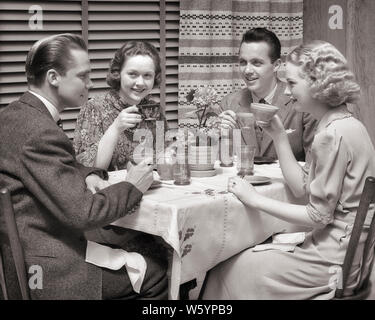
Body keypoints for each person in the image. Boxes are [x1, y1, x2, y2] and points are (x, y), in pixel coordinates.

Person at [202, 40, 375, 299]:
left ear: (318, 84)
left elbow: (318, 216)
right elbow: (301, 187)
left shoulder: (330, 136)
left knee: (225, 269)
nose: (289, 92)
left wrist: (254, 199)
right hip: (353, 253)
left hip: (333, 259)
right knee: (256, 252)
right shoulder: (348, 124)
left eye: (293, 84)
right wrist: (280, 137)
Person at [0, 33, 168, 300]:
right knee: (158, 271)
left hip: (24, 247)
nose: (90, 84)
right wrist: (132, 185)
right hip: (48, 266)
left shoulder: (15, 115)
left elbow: (57, 165)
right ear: (54, 77)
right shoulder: (40, 131)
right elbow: (84, 213)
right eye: (83, 76)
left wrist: (88, 174)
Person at [217, 27, 317, 161]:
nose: (247, 70)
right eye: (242, 62)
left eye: (256, 63)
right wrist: (221, 135)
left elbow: (315, 166)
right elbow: (222, 164)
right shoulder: (228, 104)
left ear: (276, 65)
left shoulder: (302, 103)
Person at [73, 40, 168, 171]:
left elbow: (164, 159)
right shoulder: (94, 108)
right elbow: (89, 171)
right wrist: (116, 128)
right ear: (118, 74)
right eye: (132, 74)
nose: (140, 82)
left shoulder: (154, 110)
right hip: (110, 189)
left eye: (147, 75)